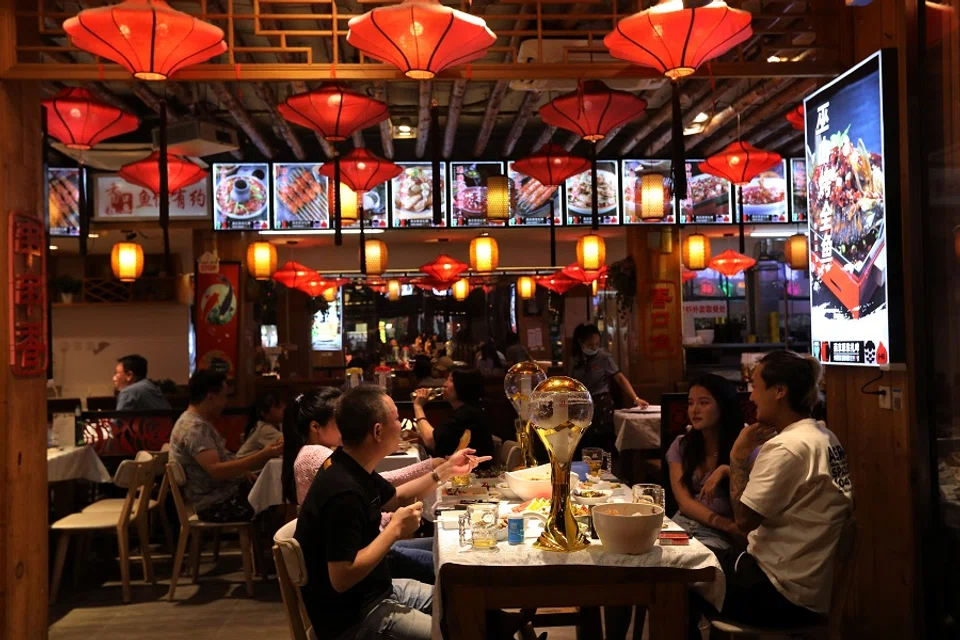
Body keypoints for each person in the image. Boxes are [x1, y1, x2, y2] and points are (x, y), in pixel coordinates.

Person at [295, 385, 488, 639]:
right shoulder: (342, 490)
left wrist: (447, 470)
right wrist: (395, 529)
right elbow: (341, 577)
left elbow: (396, 498)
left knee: (470, 604)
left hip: (379, 591)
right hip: (354, 618)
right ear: (377, 431)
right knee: (455, 630)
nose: (401, 425)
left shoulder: (350, 464)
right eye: (397, 418)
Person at [715, 350, 854, 630]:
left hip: (780, 592)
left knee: (680, 578)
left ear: (779, 390)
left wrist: (738, 455)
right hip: (808, 585)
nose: (751, 397)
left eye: (755, 387)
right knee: (698, 556)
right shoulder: (824, 436)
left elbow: (744, 521)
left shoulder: (787, 447)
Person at [169, 370, 282, 522]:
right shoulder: (194, 428)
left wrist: (244, 472)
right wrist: (263, 454)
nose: (225, 402)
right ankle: (281, 544)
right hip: (214, 504)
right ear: (210, 397)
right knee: (279, 496)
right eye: (224, 396)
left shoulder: (195, 422)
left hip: (221, 496)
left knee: (277, 492)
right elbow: (216, 470)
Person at [667, 374, 754, 573]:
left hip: (719, 537)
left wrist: (726, 470)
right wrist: (726, 525)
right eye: (690, 403)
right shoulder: (682, 445)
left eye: (703, 402)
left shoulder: (744, 447)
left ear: (723, 406)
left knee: (688, 568)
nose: (694, 410)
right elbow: (685, 503)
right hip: (681, 526)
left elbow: (756, 494)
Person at [568, 324, 648, 452]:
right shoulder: (575, 360)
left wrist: (635, 398)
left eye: (597, 344)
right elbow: (570, 384)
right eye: (590, 345)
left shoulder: (604, 357)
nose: (594, 347)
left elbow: (620, 378)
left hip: (601, 404)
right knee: (583, 443)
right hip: (581, 404)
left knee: (603, 442)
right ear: (581, 343)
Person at [411, 368, 495, 469]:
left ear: (463, 386)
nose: (444, 384)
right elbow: (445, 440)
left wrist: (418, 406)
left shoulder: (468, 414)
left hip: (473, 475)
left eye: (450, 380)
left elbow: (431, 440)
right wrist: (420, 438)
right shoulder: (466, 411)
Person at [236, 393, 285, 466]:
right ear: (265, 414)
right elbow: (287, 442)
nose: (284, 409)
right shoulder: (264, 429)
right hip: (240, 470)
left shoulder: (277, 425)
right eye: (278, 407)